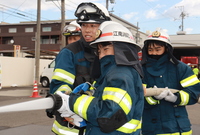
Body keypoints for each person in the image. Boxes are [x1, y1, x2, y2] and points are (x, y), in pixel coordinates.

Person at [56, 21, 144, 135]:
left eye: (106, 49)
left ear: (122, 49)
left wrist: (72, 101)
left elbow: (109, 116)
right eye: (99, 51)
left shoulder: (121, 74)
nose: (101, 55)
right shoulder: (113, 73)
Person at [47, 2, 111, 135]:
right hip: (71, 129)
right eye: (84, 25)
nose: (87, 30)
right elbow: (60, 86)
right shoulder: (69, 53)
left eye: (93, 25)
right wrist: (67, 107)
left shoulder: (110, 50)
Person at [141, 28, 200, 135]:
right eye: (150, 50)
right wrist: (152, 97)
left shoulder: (180, 68)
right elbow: (137, 95)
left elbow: (194, 92)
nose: (153, 53)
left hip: (179, 128)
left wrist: (176, 98)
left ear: (167, 49)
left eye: (158, 49)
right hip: (152, 128)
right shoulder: (140, 70)